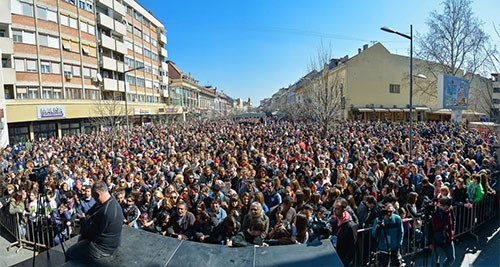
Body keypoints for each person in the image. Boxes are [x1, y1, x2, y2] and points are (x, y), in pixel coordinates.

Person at [66, 180, 124, 261]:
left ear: (97, 194)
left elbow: (91, 235)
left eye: (94, 196)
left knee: (70, 253)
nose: (94, 199)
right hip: (109, 241)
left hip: (103, 247)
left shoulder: (106, 212)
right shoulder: (108, 201)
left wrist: (83, 220)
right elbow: (90, 211)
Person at [371, 202, 404, 267]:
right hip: (383, 249)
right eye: (387, 212)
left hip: (394, 248)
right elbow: (374, 234)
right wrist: (378, 228)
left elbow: (401, 232)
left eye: (391, 212)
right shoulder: (378, 220)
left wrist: (399, 244)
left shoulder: (397, 219)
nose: (389, 214)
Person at [428, 197, 455, 266]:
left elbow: (452, 221)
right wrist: (430, 242)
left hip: (448, 238)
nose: (448, 208)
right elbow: (429, 228)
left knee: (451, 258)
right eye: (447, 207)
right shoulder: (434, 213)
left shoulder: (449, 210)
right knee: (435, 261)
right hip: (436, 239)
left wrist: (452, 232)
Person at [331, 197, 357, 266]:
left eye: (337, 209)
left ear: (344, 210)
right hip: (334, 256)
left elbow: (352, 248)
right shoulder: (334, 221)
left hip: (343, 261)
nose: (334, 210)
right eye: (333, 208)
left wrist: (343, 263)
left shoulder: (350, 226)